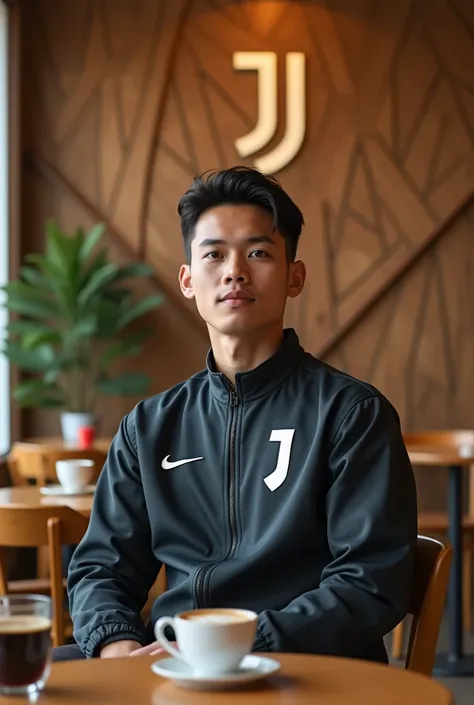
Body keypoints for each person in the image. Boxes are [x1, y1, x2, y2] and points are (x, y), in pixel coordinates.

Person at [53, 166, 417, 662]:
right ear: (187, 279)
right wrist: (118, 648)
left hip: (302, 665)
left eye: (259, 252)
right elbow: (102, 567)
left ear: (295, 276)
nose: (234, 271)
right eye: (214, 254)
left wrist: (235, 646)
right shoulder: (150, 427)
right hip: (171, 659)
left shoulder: (352, 414)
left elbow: (372, 579)